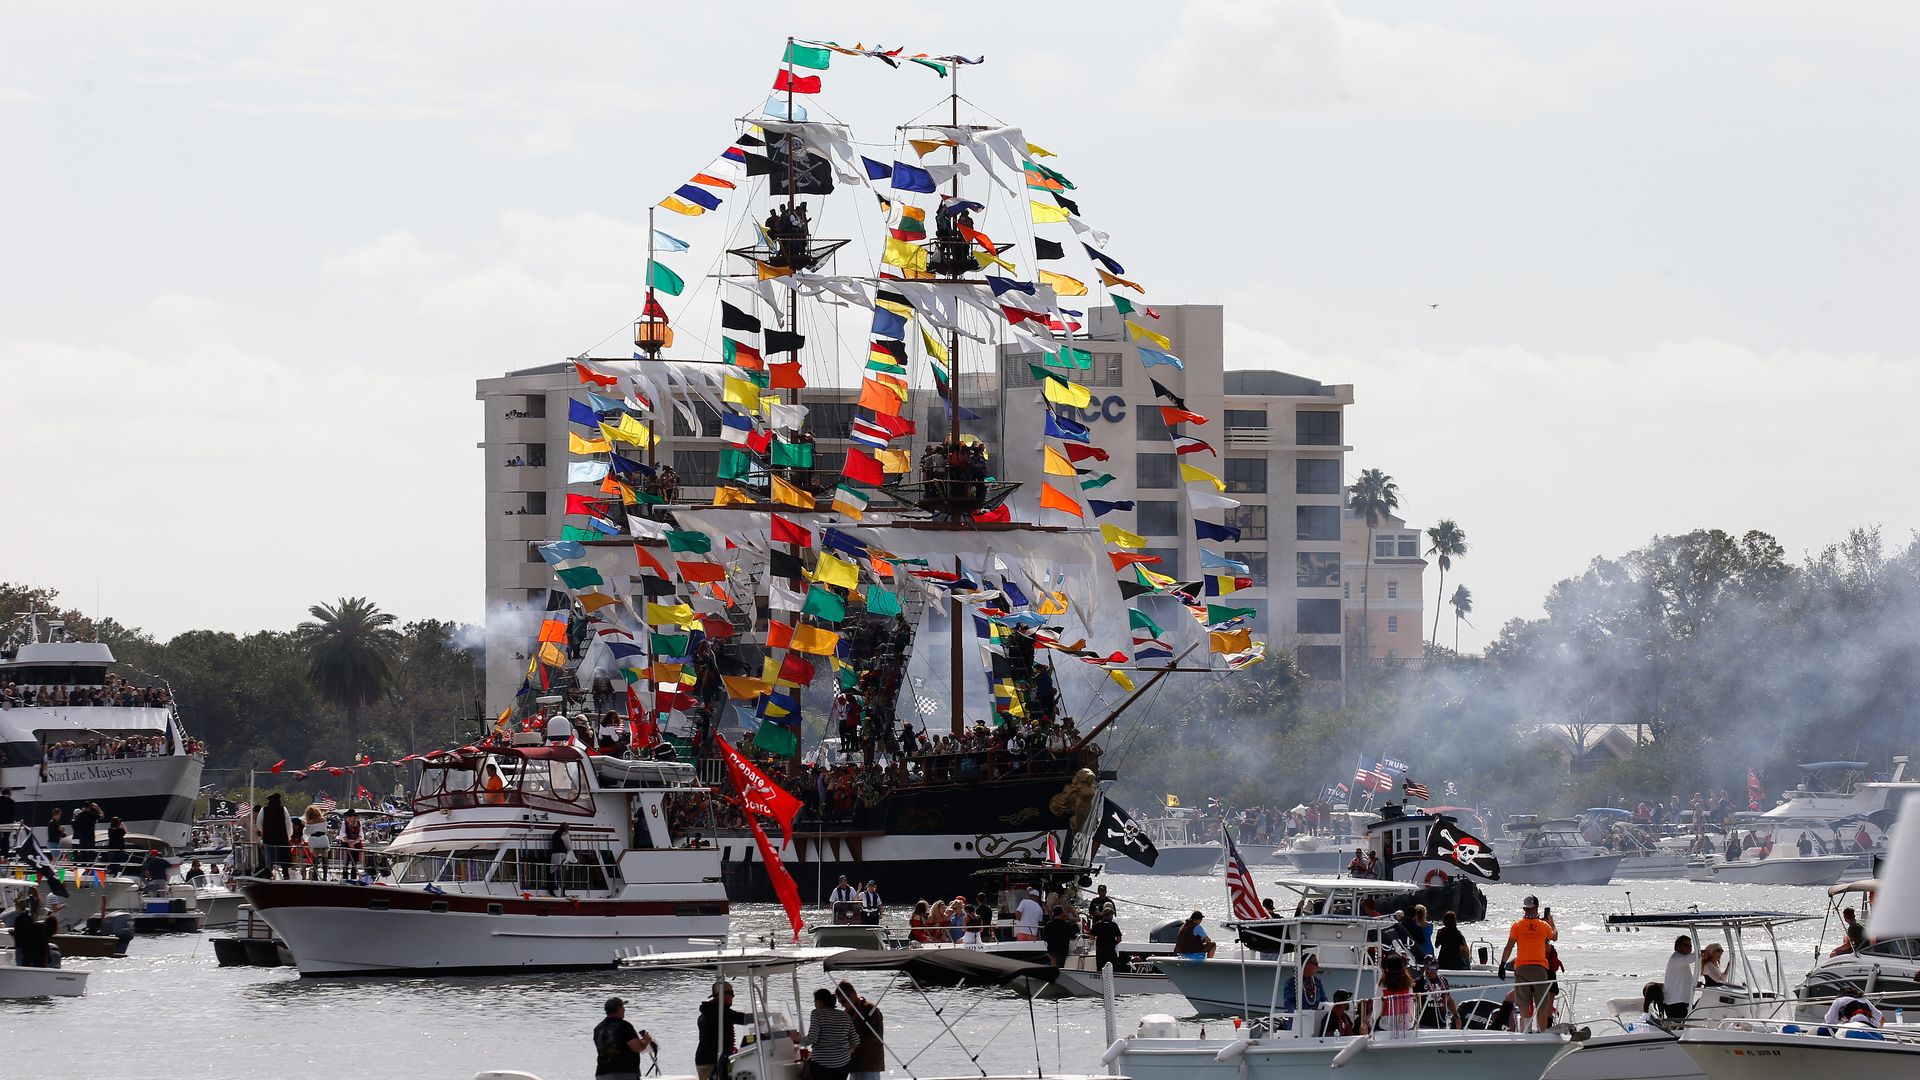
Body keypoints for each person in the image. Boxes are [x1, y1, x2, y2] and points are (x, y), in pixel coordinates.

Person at [1497, 895, 1557, 1033]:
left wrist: (1502, 965)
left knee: (1524, 1004)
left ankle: (1526, 1032)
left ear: (1524, 909)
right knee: (1541, 1004)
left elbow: (1509, 946)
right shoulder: (1544, 925)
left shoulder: (1517, 925)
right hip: (1539, 968)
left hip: (1522, 968)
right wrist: (1552, 923)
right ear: (1537, 908)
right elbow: (1554, 937)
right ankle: (1542, 1033)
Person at [694, 981, 753, 1080]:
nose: (733, 996)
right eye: (731, 994)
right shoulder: (719, 1012)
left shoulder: (708, 1012)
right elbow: (741, 1018)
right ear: (721, 995)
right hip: (711, 1061)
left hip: (706, 1059)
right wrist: (762, 1016)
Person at [801, 986, 859, 1080]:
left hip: (822, 1066)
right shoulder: (845, 1015)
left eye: (815, 1002)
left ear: (819, 1002)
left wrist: (798, 1040)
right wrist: (841, 1053)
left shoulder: (817, 1013)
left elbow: (812, 1038)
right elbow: (856, 1041)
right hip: (843, 1066)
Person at [594, 996, 657, 1080]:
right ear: (618, 1008)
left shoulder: (598, 1028)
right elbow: (637, 1047)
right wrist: (645, 1041)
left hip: (602, 1073)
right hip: (624, 1072)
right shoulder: (624, 1026)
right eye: (623, 1007)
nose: (624, 1010)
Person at [839, 981, 885, 1080]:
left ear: (853, 995)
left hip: (869, 1063)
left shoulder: (870, 1009)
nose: (842, 1005)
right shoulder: (846, 1014)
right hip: (854, 1064)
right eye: (840, 1003)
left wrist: (854, 1046)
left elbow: (875, 1036)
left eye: (843, 1001)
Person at [258, 793, 294, 879]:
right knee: (283, 857)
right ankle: (285, 874)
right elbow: (288, 824)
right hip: (281, 837)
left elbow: (259, 824)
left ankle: (268, 874)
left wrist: (264, 831)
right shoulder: (283, 809)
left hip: (268, 837)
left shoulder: (264, 809)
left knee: (268, 856)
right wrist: (288, 835)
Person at [1662, 934, 1696, 1021]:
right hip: (1676, 1003)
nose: (1689, 947)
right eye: (1686, 945)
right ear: (1677, 947)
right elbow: (1694, 957)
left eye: (1690, 945)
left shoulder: (1681, 960)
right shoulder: (1676, 958)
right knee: (1680, 1029)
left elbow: (1682, 979)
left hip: (1681, 1002)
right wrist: (1703, 953)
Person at [302, 805, 332, 880]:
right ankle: (325, 875)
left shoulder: (309, 822)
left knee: (315, 858)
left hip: (314, 840)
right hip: (323, 839)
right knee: (325, 856)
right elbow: (325, 829)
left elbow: (307, 832)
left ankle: (315, 875)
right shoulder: (323, 819)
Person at [1092, 907, 1123, 972]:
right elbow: (1119, 939)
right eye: (1111, 915)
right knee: (1112, 968)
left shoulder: (1097, 925)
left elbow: (1092, 937)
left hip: (1100, 950)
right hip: (1110, 950)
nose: (1112, 917)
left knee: (1100, 968)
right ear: (1108, 915)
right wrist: (1113, 943)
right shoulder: (1114, 925)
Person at [548, 823, 572, 895]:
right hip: (562, 855)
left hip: (554, 855)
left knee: (553, 872)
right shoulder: (565, 835)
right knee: (563, 874)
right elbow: (569, 847)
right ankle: (562, 892)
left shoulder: (555, 834)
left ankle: (552, 889)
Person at [339, 808, 364, 878]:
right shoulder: (344, 823)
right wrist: (349, 842)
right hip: (346, 844)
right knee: (345, 862)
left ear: (354, 817)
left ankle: (353, 878)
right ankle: (345, 877)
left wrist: (354, 842)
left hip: (356, 844)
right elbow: (342, 834)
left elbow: (360, 835)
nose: (349, 818)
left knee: (354, 863)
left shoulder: (359, 823)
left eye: (350, 816)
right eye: (348, 816)